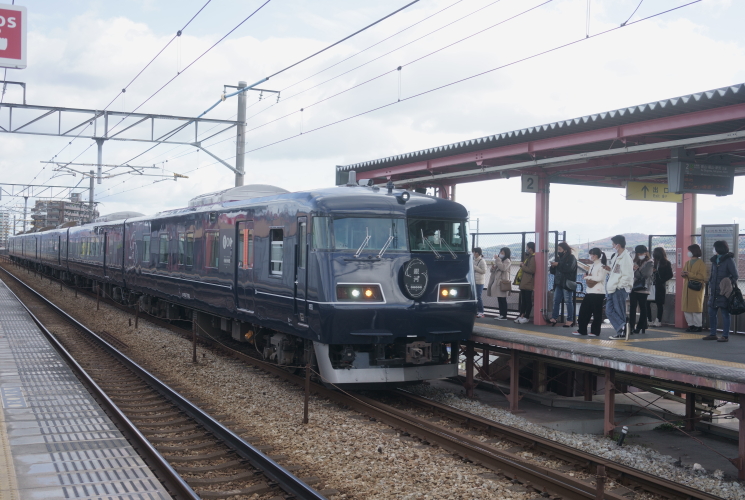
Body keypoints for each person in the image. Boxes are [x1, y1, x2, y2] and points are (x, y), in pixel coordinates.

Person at [703, 240, 739, 342]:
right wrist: (710, 283)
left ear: (719, 248)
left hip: (724, 292)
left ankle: (725, 335)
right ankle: (713, 334)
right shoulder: (714, 260)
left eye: (714, 248)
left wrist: (727, 282)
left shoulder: (729, 260)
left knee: (725, 314)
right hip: (713, 291)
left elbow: (735, 276)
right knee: (711, 312)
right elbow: (712, 274)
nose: (713, 250)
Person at [573, 248, 608, 337]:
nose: (591, 256)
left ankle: (595, 331)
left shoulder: (602, 266)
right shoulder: (592, 265)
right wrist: (588, 276)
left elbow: (600, 278)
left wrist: (587, 278)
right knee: (584, 311)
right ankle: (582, 329)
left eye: (593, 254)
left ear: (598, 255)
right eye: (590, 254)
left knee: (596, 313)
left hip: (598, 292)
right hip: (590, 291)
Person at [605, 235, 634, 340]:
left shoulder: (626, 257)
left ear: (618, 245)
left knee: (618, 310)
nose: (612, 246)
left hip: (619, 288)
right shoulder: (617, 256)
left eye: (613, 244)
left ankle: (621, 331)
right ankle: (623, 327)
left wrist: (620, 286)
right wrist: (609, 270)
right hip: (613, 287)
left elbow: (627, 275)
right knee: (609, 310)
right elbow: (617, 272)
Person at [549, 242, 578, 327]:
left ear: (565, 250)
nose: (558, 251)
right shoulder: (558, 259)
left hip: (566, 283)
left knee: (568, 301)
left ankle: (570, 320)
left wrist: (558, 264)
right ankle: (554, 318)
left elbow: (568, 268)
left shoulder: (571, 258)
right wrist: (553, 267)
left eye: (560, 249)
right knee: (556, 301)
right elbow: (553, 272)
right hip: (558, 283)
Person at [681, 244, 706, 332]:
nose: (688, 253)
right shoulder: (687, 263)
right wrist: (683, 274)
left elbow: (702, 276)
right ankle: (691, 324)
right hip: (687, 287)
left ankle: (698, 325)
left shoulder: (701, 263)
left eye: (690, 251)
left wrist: (689, 274)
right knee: (686, 307)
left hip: (696, 288)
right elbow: (684, 274)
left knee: (696, 308)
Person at [629, 245, 654, 334]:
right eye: (638, 253)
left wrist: (636, 270)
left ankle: (640, 326)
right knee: (632, 307)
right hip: (633, 287)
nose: (640, 255)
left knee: (643, 307)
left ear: (646, 253)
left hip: (643, 287)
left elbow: (645, 275)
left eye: (642, 253)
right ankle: (631, 326)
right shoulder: (634, 261)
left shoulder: (649, 262)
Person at [647, 247, 674, 327]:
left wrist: (661, 279)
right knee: (647, 302)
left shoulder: (666, 263)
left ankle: (658, 320)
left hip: (659, 286)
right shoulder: (652, 262)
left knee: (659, 303)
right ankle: (649, 319)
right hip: (651, 285)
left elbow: (670, 275)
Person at [514, 242, 536, 324]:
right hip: (525, 281)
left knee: (527, 300)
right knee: (523, 300)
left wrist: (523, 266)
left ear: (530, 248)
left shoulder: (533, 257)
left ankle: (526, 317)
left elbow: (531, 270)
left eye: (527, 247)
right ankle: (521, 315)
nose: (526, 249)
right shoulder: (529, 257)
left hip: (528, 281)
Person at [488, 247, 512, 320]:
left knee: (503, 299)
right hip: (498, 282)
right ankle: (501, 314)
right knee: (499, 299)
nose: (500, 254)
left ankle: (504, 315)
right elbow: (494, 271)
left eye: (502, 253)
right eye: (500, 252)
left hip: (502, 282)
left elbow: (503, 268)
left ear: (506, 254)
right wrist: (493, 268)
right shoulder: (500, 260)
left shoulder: (507, 260)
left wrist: (497, 259)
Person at [472, 247, 487, 318]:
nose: (473, 254)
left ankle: (481, 312)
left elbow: (484, 271)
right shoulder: (473, 260)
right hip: (474, 281)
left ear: (477, 253)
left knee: (478, 296)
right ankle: (476, 311)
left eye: (474, 252)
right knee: (474, 297)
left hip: (479, 282)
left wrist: (475, 267)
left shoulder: (482, 261)